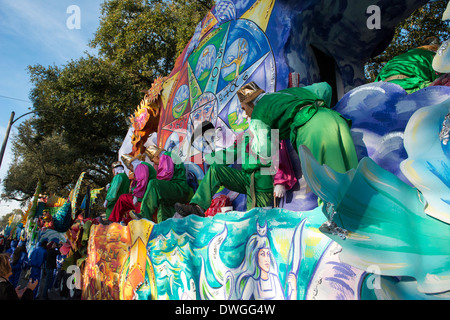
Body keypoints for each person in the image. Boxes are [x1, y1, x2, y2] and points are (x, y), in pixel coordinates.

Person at [175, 135, 297, 217]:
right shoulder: (248, 136)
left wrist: (280, 181)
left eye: (245, 109)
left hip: (263, 179)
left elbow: (279, 155)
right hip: (247, 177)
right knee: (216, 170)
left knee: (255, 217)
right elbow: (230, 153)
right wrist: (210, 158)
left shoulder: (269, 131)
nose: (245, 114)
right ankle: (198, 207)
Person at [139, 145, 191, 223]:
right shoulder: (170, 156)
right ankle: (164, 226)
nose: (155, 164)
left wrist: (155, 187)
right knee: (163, 202)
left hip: (179, 188)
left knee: (154, 184)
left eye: (153, 161)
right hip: (177, 190)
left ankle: (144, 215)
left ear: (155, 156)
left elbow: (165, 175)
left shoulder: (165, 156)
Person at [376, 37, 441, 93]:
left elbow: (376, 81)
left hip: (382, 90)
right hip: (410, 88)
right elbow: (443, 81)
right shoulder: (433, 57)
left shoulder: (397, 58)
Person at [108, 154, 156, 224]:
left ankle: (114, 221)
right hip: (142, 196)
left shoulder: (141, 167)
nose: (130, 170)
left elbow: (142, 183)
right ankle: (114, 220)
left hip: (145, 198)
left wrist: (136, 196)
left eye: (129, 168)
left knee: (126, 201)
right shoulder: (140, 167)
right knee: (123, 199)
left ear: (131, 165)